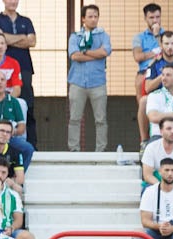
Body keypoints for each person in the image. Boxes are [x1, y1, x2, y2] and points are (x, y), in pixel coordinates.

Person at [66, 4, 109, 152]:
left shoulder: (103, 35)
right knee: (74, 118)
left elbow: (105, 52)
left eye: (96, 16)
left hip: (98, 82)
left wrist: (84, 53)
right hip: (77, 82)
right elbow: (74, 56)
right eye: (90, 16)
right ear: (83, 18)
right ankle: (74, 150)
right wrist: (94, 54)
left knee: (101, 119)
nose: (93, 19)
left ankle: (101, 150)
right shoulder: (75, 36)